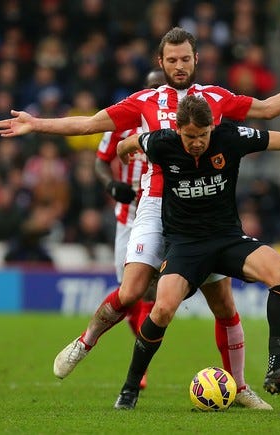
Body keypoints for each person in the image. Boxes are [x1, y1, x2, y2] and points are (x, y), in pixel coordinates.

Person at [0, 27, 280, 409]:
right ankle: (86, 341)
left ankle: (241, 386)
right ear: (160, 62)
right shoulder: (145, 100)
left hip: (205, 216)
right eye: (172, 60)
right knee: (132, 292)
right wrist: (37, 124)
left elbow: (267, 109)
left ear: (197, 59)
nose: (179, 66)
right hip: (154, 204)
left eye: (185, 59)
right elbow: (88, 124)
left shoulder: (216, 98)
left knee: (224, 305)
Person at [112, 95, 280, 409]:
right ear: (178, 130)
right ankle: (130, 389)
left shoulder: (231, 137)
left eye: (203, 135)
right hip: (185, 244)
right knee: (161, 310)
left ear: (213, 126)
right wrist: (123, 153)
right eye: (189, 137)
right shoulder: (160, 142)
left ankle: (277, 369)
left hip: (227, 238)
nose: (197, 143)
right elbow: (128, 143)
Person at [94, 69, 166, 389]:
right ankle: (142, 352)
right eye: (150, 85)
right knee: (127, 292)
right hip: (128, 214)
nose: (154, 91)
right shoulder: (125, 119)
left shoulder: (173, 122)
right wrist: (111, 185)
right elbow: (100, 161)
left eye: (159, 86)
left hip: (163, 212)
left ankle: (142, 364)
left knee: (150, 289)